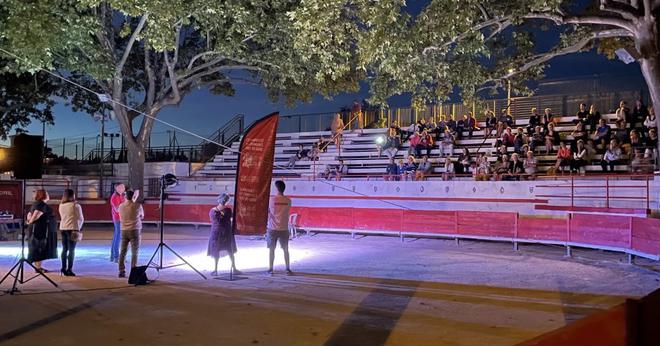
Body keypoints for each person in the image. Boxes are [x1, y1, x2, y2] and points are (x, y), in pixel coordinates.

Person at [207, 193, 239, 276]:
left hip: (216, 232)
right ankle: (234, 268)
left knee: (216, 250)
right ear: (227, 201)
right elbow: (230, 219)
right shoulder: (228, 210)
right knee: (230, 249)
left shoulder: (212, 211)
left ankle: (215, 270)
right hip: (227, 232)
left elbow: (212, 220)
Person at [26, 189, 57, 273]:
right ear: (43, 195)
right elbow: (35, 215)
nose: (48, 195)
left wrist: (29, 222)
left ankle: (38, 267)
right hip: (39, 229)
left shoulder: (36, 204)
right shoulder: (41, 204)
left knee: (36, 247)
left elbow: (29, 215)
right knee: (39, 247)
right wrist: (31, 221)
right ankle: (38, 268)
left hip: (35, 228)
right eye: (47, 193)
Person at [267, 180, 292, 275]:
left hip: (272, 228)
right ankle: (287, 268)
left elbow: (269, 212)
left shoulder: (271, 200)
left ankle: (270, 268)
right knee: (285, 249)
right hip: (284, 228)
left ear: (276, 188)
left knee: (271, 250)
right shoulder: (288, 201)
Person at [118, 189, 143, 278]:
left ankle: (121, 271)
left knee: (123, 251)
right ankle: (133, 270)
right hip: (135, 230)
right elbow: (142, 216)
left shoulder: (120, 206)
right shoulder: (137, 205)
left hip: (124, 230)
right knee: (134, 252)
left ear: (125, 197)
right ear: (133, 196)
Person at [58, 189, 84, 277]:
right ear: (73, 195)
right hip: (72, 228)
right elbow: (81, 218)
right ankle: (70, 269)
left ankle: (63, 267)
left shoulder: (61, 205)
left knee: (64, 249)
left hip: (63, 228)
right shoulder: (76, 205)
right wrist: (79, 228)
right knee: (72, 250)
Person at [109, 183, 125, 263]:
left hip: (121, 218)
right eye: (121, 187)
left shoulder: (121, 195)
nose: (123, 188)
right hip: (118, 219)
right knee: (117, 237)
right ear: (117, 188)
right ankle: (116, 256)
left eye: (123, 187)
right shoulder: (115, 197)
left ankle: (113, 256)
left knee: (117, 236)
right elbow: (117, 209)